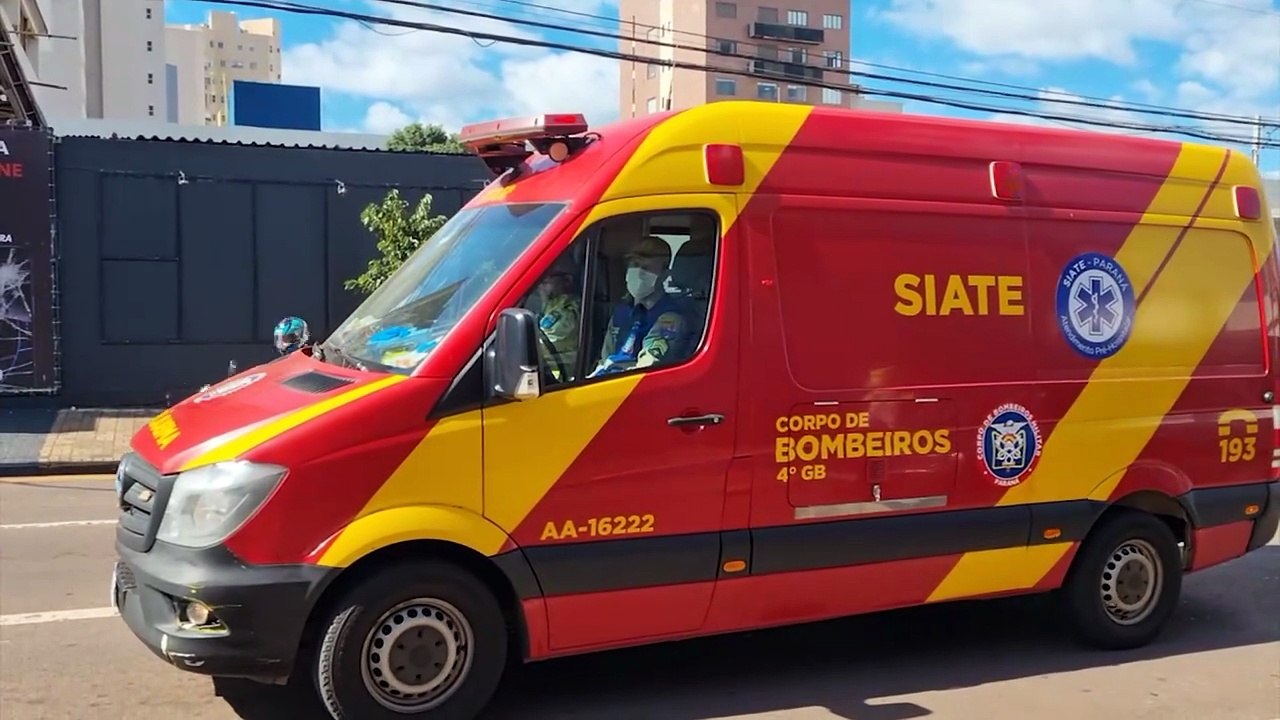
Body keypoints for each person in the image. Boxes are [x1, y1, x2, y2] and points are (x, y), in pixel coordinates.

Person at [589, 235, 691, 377]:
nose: (638, 273)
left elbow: (647, 369)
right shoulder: (622, 311)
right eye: (635, 265)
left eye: (646, 268)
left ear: (664, 274)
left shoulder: (670, 319)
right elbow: (605, 359)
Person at [534, 258, 581, 379]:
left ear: (567, 280)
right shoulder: (552, 304)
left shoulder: (568, 310)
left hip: (560, 379)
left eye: (546, 280)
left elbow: (540, 346)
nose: (540, 285)